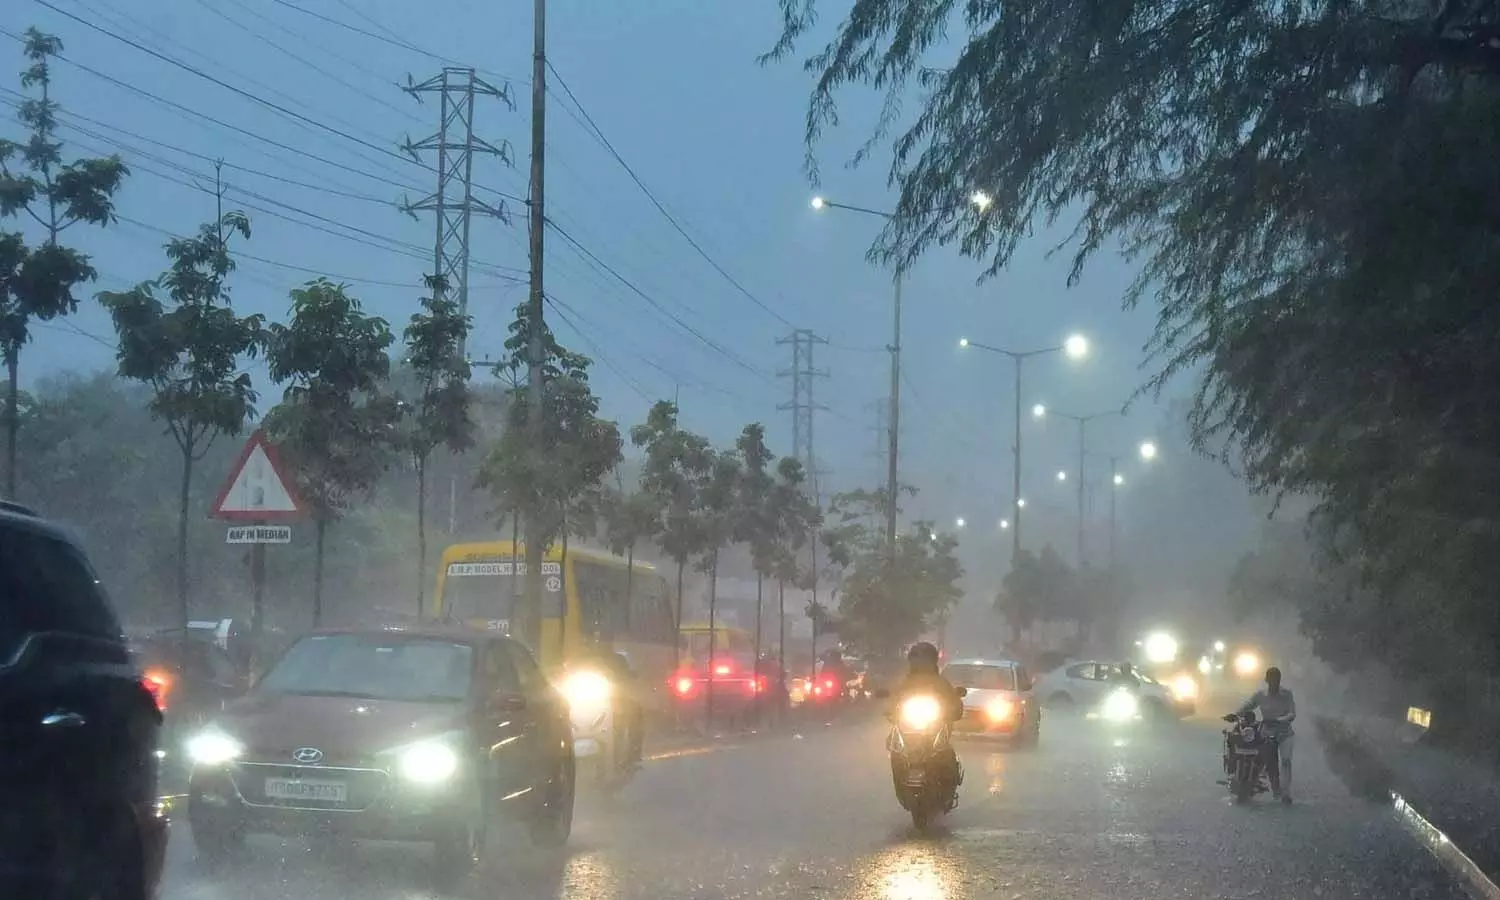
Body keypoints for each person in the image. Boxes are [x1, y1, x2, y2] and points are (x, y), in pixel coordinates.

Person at [887, 642, 965, 798]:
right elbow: (892, 701)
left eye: (924, 659)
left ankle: (948, 789)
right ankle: (901, 788)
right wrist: (889, 710)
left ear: (932, 661)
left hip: (935, 728)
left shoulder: (941, 683)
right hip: (908, 729)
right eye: (916, 659)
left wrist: (953, 709)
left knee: (947, 754)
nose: (920, 663)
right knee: (893, 749)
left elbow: (955, 703)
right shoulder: (903, 683)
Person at [1238, 666, 1297, 803]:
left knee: (1286, 761)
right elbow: (1249, 705)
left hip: (1285, 733)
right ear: (1267, 680)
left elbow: (1292, 713)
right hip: (1267, 733)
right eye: (1271, 680)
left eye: (1276, 680)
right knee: (1271, 763)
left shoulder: (1287, 694)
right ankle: (1276, 790)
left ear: (1279, 680)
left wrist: (1278, 720)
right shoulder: (1261, 695)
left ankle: (1286, 793)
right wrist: (1236, 714)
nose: (1274, 683)